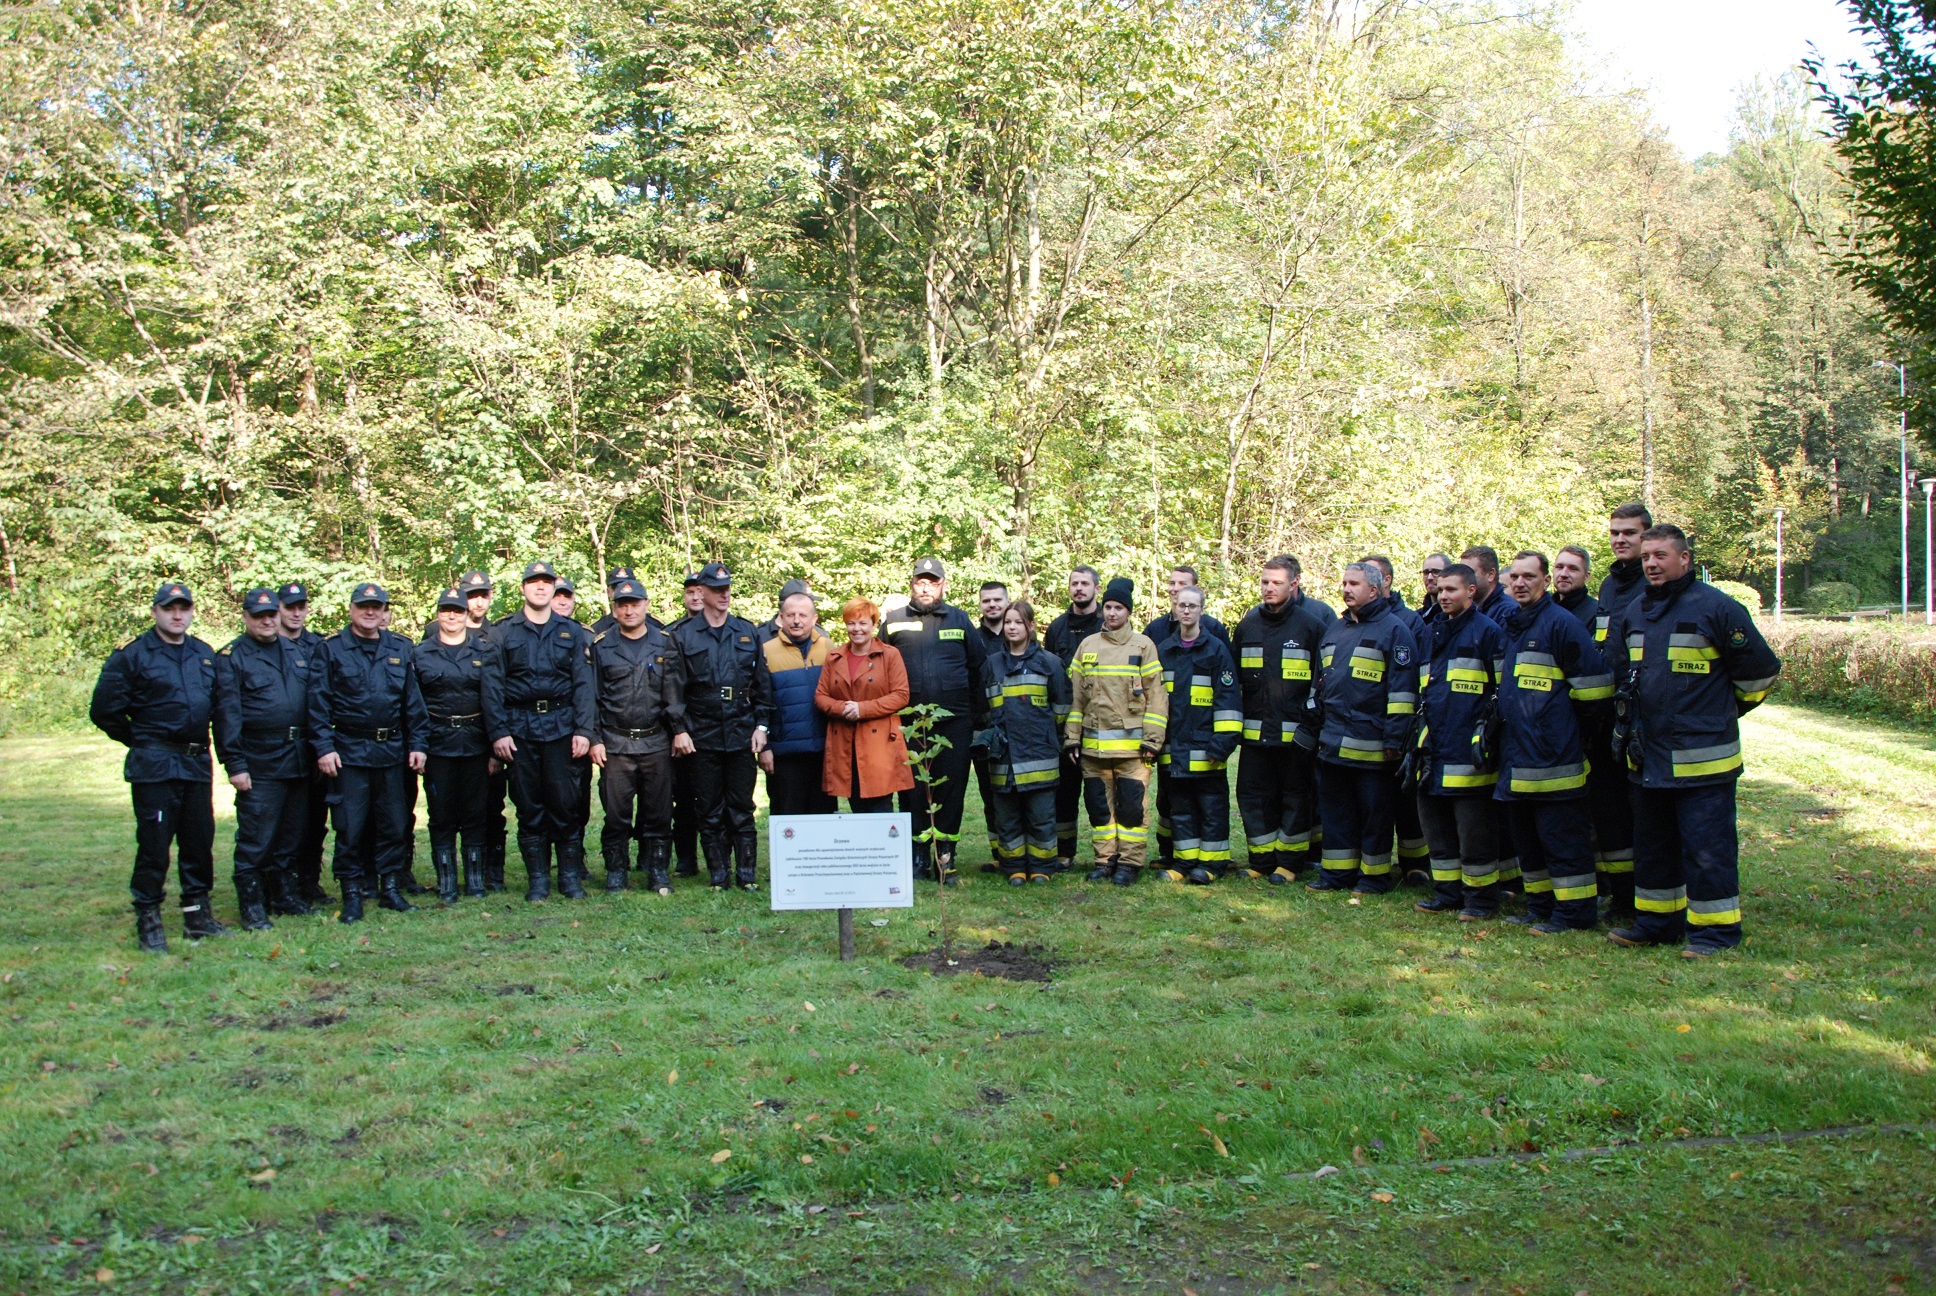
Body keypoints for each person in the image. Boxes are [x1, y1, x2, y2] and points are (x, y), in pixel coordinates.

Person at [1608, 524, 1780, 958]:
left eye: (1661, 555)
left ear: (1685, 559)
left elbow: (1759, 675)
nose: (1651, 564)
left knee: (1708, 850)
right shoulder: (1634, 612)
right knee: (1653, 847)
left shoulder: (1719, 609)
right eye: (1647, 557)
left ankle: (1714, 934)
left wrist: (1722, 712)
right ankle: (1657, 923)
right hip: (1648, 757)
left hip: (1704, 760)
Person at [91, 582, 224, 952]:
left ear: (192, 611)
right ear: (155, 613)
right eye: (170, 609)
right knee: (154, 844)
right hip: (156, 764)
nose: (177, 615)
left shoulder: (204, 654)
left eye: (184, 608)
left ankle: (197, 917)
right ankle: (149, 920)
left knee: (199, 842)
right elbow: (104, 711)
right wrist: (141, 740)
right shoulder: (132, 656)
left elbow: (216, 706)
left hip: (195, 761)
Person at [1492, 551, 1613, 933]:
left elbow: (1594, 693)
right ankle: (1540, 906)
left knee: (1563, 842)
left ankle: (1575, 914)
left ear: (1545, 581)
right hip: (1518, 756)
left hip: (1554, 758)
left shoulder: (1561, 625)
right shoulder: (1514, 624)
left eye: (1529, 576)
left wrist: (1564, 731)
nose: (1520, 583)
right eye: (1515, 577)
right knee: (1528, 841)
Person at [306, 583, 429, 923]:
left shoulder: (400, 648)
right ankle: (353, 894)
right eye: (364, 606)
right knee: (350, 826)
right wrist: (324, 747)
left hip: (391, 751)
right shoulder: (331, 650)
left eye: (377, 606)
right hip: (350, 753)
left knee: (394, 823)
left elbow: (412, 704)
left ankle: (390, 888)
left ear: (386, 611)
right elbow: (317, 704)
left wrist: (418, 744)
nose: (370, 612)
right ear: (351, 609)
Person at [491, 561, 597, 901]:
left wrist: (584, 730)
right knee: (529, 807)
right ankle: (538, 880)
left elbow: (583, 684)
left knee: (565, 805)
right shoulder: (504, 632)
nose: (540, 587)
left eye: (546, 582)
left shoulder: (571, 631)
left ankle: (569, 878)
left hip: (562, 729)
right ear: (523, 588)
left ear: (554, 589)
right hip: (520, 731)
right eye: (533, 582)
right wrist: (498, 732)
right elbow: (492, 686)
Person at [1311, 563, 1417, 894]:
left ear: (1373, 590)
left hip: (1374, 748)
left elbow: (1403, 693)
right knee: (1337, 815)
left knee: (1375, 817)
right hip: (1332, 746)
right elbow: (1320, 687)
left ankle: (1373, 878)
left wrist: (1394, 740)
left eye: (1354, 583)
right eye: (1343, 582)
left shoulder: (1394, 630)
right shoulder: (1335, 631)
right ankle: (1336, 876)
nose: (1346, 588)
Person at [1411, 563, 1509, 919]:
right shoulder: (1429, 632)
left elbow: (1501, 694)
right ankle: (1447, 893)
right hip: (1432, 749)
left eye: (1452, 589)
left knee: (1474, 835)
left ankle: (1481, 900)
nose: (1444, 595)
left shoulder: (1489, 633)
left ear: (1471, 591)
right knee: (1437, 831)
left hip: (1468, 750)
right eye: (1440, 590)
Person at [881, 558, 988, 883]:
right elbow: (880, 668)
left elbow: (978, 667)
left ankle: (946, 859)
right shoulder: (894, 621)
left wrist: (978, 718)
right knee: (913, 791)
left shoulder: (960, 619)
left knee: (951, 791)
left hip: (954, 723)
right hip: (909, 723)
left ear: (943, 585)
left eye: (933, 581)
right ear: (911, 584)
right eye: (920, 581)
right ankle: (918, 858)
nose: (925, 587)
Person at [212, 588, 314, 930]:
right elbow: (227, 716)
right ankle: (252, 904)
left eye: (271, 614)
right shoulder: (231, 657)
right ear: (245, 618)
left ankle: (283, 895)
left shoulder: (295, 650)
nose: (267, 621)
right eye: (259, 616)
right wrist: (235, 765)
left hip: (298, 757)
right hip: (259, 760)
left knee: (290, 834)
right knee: (257, 836)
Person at [669, 562, 773, 890]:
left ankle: (746, 875)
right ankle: (718, 875)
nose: (724, 594)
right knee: (709, 808)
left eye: (727, 588)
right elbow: (673, 688)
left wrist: (762, 726)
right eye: (717, 590)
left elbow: (762, 686)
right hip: (702, 732)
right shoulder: (683, 635)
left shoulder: (747, 631)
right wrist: (680, 729)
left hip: (742, 731)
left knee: (742, 806)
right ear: (701, 592)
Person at [1231, 554, 1330, 883]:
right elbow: (1235, 682)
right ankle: (1260, 861)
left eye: (1276, 582)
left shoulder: (1311, 626)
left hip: (1295, 739)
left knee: (1295, 798)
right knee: (1253, 796)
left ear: (1293, 584)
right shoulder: (1247, 625)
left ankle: (1289, 864)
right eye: (1264, 581)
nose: (1268, 588)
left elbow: (1323, 682)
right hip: (1255, 737)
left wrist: (1310, 730)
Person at [1064, 578, 1168, 886]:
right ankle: (1104, 861)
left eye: (1118, 608)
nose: (1111, 613)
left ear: (1128, 612)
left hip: (1133, 752)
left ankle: (1130, 863)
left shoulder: (1143, 646)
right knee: (1099, 811)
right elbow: (1076, 698)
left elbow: (1157, 697)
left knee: (1132, 811)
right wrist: (1072, 738)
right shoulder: (1088, 646)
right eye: (1108, 607)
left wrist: (1152, 741)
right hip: (1093, 752)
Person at [591, 578, 685, 895]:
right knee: (616, 815)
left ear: (646, 606)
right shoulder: (602, 646)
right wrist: (595, 739)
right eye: (623, 605)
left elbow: (674, 693)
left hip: (656, 741)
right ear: (615, 609)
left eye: (635, 604)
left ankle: (658, 872)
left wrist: (678, 732)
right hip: (616, 743)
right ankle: (616, 873)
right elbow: (593, 696)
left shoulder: (665, 643)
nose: (629, 610)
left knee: (659, 813)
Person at [1555, 542, 1632, 920]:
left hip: (1592, 731)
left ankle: (1617, 895)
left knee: (1606, 816)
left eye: (1572, 568)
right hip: (1559, 733)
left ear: (1587, 575)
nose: (1564, 574)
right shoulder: (1547, 614)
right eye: (1559, 567)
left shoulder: (1593, 614)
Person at [415, 585, 505, 902]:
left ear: (468, 616)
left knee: (475, 813)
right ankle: (448, 882)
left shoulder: (484, 651)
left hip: (476, 743)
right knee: (441, 815)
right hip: (438, 743)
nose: (452, 616)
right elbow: (415, 706)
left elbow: (493, 701)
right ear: (438, 615)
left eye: (458, 611)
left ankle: (476, 881)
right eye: (446, 611)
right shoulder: (421, 653)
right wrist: (420, 746)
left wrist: (496, 747)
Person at [973, 601, 1070, 884]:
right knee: (1007, 818)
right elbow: (983, 708)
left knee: (1041, 817)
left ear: (1029, 626)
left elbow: (1062, 707)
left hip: (1039, 754)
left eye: (1018, 622)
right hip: (1003, 758)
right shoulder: (992, 665)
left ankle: (1042, 868)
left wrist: (1051, 739)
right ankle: (1013, 867)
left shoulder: (1049, 663)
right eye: (1008, 622)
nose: (1012, 627)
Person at [1152, 587, 1242, 884]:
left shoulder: (1216, 650)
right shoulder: (1164, 650)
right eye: (1182, 605)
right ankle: (1184, 862)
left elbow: (1228, 701)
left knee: (1211, 808)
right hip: (1174, 747)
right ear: (1174, 609)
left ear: (1202, 609)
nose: (1187, 610)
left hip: (1207, 748)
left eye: (1193, 606)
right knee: (1181, 809)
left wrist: (1222, 745)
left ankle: (1212, 865)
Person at [1362, 554, 1429, 884]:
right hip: (1365, 730)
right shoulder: (1353, 622)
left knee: (1406, 801)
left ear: (1385, 582)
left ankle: (1415, 864)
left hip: (1400, 727)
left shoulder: (1409, 622)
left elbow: (1409, 679)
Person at [817, 597, 914, 813]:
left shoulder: (890, 655)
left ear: (874, 625)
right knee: (857, 807)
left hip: (880, 745)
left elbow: (901, 695)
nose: (857, 629)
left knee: (880, 808)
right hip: (844, 743)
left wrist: (863, 709)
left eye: (863, 623)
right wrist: (843, 709)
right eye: (851, 623)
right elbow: (821, 696)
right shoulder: (834, 657)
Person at [277, 581, 334, 906]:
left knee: (315, 821)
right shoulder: (268, 645)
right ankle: (280, 885)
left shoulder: (318, 645)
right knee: (282, 822)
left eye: (302, 606)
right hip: (276, 749)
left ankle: (309, 882)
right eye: (290, 607)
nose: (297, 613)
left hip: (314, 746)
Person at [1044, 566, 1104, 865]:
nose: (1079, 588)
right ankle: (1064, 853)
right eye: (1074, 583)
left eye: (1085, 583)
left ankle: (1106, 854)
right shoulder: (1056, 628)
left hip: (1102, 725)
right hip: (1064, 726)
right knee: (1064, 793)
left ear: (1096, 588)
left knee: (1100, 795)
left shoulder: (1110, 623)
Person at [761, 587, 835, 815]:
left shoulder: (829, 649)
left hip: (824, 752)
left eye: (803, 615)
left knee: (824, 822)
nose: (796, 621)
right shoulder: (765, 651)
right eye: (790, 615)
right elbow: (759, 703)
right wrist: (765, 747)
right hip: (785, 755)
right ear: (781, 618)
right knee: (787, 822)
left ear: (814, 619)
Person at [668, 572, 708, 878]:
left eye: (699, 591)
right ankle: (686, 858)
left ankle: (717, 858)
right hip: (683, 727)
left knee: (710, 798)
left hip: (712, 726)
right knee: (682, 796)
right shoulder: (672, 633)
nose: (695, 597)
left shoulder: (732, 629)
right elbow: (670, 686)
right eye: (690, 592)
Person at [1599, 503, 1652, 647]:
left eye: (1629, 533)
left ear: (1646, 536)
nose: (1620, 540)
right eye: (1615, 533)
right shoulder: (1608, 585)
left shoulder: (1655, 584)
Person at [1143, 566, 1230, 648]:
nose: (1175, 588)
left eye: (1182, 584)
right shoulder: (1155, 629)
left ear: (1195, 588)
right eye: (1172, 583)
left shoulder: (1213, 628)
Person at [1460, 545, 1511, 625]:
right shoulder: (1462, 609)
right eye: (1461, 573)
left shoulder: (1507, 613)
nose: (1462, 579)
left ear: (1491, 575)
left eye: (1469, 573)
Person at [1416, 553, 1452, 626]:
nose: (1429, 577)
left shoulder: (1453, 615)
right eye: (1426, 572)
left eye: (1436, 572)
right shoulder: (1417, 617)